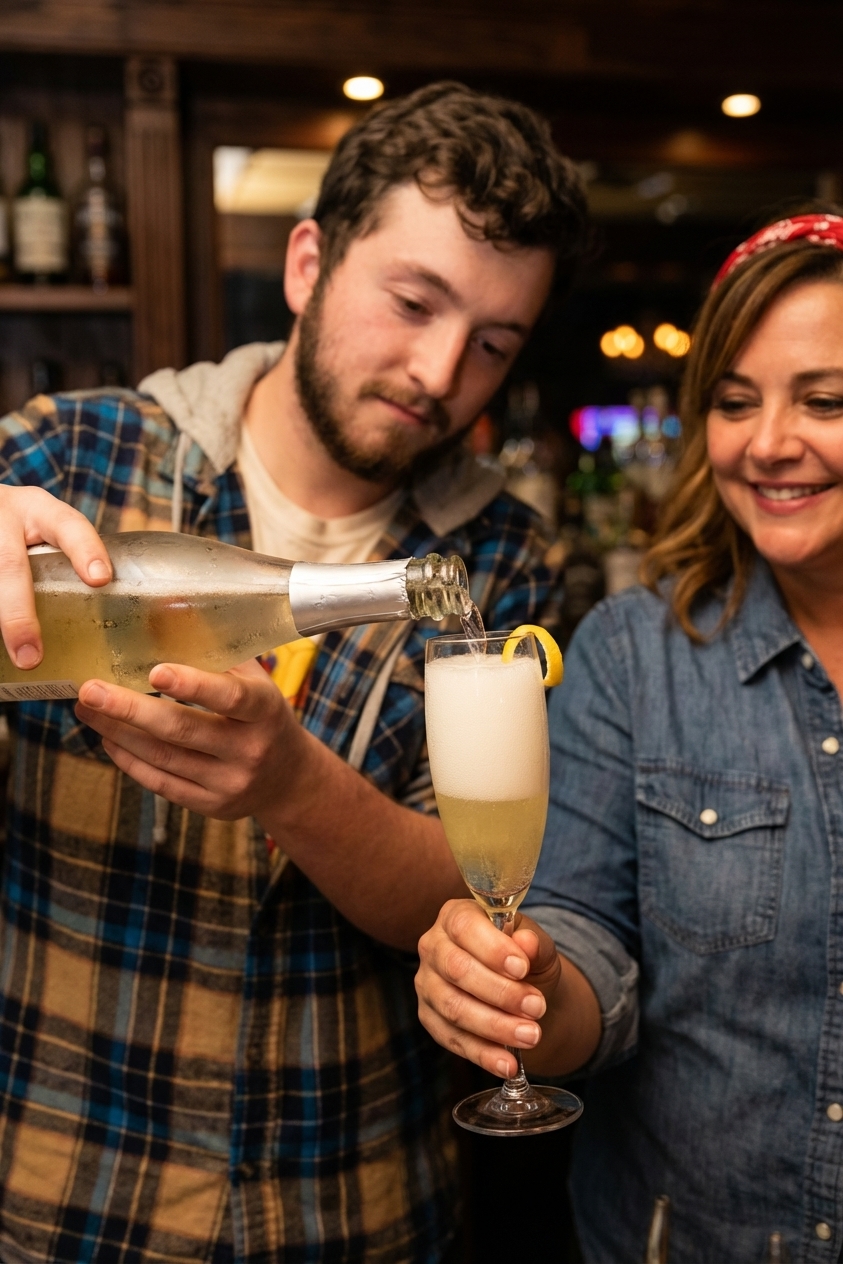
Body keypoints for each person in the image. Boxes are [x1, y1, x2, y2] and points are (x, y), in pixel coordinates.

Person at [0, 84, 588, 1264]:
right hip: (63, 1197)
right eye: (414, 302)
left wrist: (290, 783)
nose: (439, 371)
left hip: (357, 1211)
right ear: (309, 260)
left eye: (493, 344)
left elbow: (474, 889)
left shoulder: (501, 560)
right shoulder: (73, 459)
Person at [415, 212, 843, 1262]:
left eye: (825, 400)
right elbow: (588, 959)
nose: (770, 440)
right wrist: (526, 987)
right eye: (735, 403)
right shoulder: (633, 652)